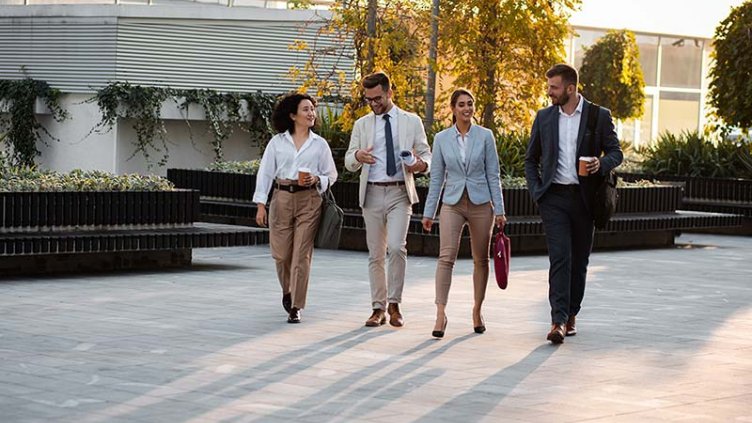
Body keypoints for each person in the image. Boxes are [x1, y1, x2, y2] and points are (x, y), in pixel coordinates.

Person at [524, 64, 623, 344]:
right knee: (560, 258)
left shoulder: (598, 116)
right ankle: (557, 320)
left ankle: (571, 314)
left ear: (570, 88)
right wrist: (537, 191)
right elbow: (531, 159)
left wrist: (600, 163)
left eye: (553, 87)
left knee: (579, 262)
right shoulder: (544, 117)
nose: (549, 92)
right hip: (553, 198)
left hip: (584, 200)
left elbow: (616, 152)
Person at [345, 72, 432, 328]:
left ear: (389, 93)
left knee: (396, 247)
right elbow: (349, 160)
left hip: (399, 192)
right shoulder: (362, 125)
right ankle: (378, 308)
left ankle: (395, 304)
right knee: (375, 254)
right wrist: (359, 156)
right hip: (371, 192)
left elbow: (426, 154)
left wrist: (420, 165)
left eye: (378, 98)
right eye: (369, 100)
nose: (373, 104)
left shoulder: (410, 121)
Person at [421, 89, 506, 338]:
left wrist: (499, 209)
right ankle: (440, 314)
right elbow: (437, 177)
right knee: (446, 257)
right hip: (453, 203)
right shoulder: (441, 139)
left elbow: (494, 174)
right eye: (461, 105)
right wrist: (429, 212)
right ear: (453, 108)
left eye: (470, 104)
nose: (466, 108)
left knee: (481, 259)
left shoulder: (485, 136)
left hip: (481, 204)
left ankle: (477, 311)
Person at [253, 93, 338, 324]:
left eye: (313, 109)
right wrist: (261, 204)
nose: (311, 113)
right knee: (281, 255)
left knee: (302, 254)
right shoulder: (277, 142)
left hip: (309, 201)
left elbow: (331, 174)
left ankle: (296, 306)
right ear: (292, 115)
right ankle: (287, 291)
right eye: (306, 109)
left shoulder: (319, 144)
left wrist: (317, 179)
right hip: (281, 198)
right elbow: (265, 173)